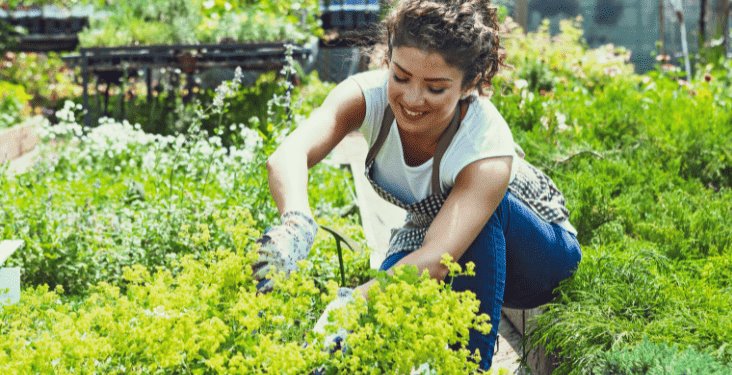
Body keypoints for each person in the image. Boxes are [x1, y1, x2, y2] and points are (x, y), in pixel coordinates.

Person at [252, 0, 582, 370]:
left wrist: (351, 302)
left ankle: (466, 366)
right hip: (436, 235)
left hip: (538, 258)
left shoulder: (485, 144)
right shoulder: (366, 98)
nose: (411, 99)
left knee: (454, 243)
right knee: (384, 310)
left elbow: (438, 259)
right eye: (401, 76)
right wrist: (297, 222)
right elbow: (288, 155)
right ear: (388, 59)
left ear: (469, 84)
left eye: (435, 88)